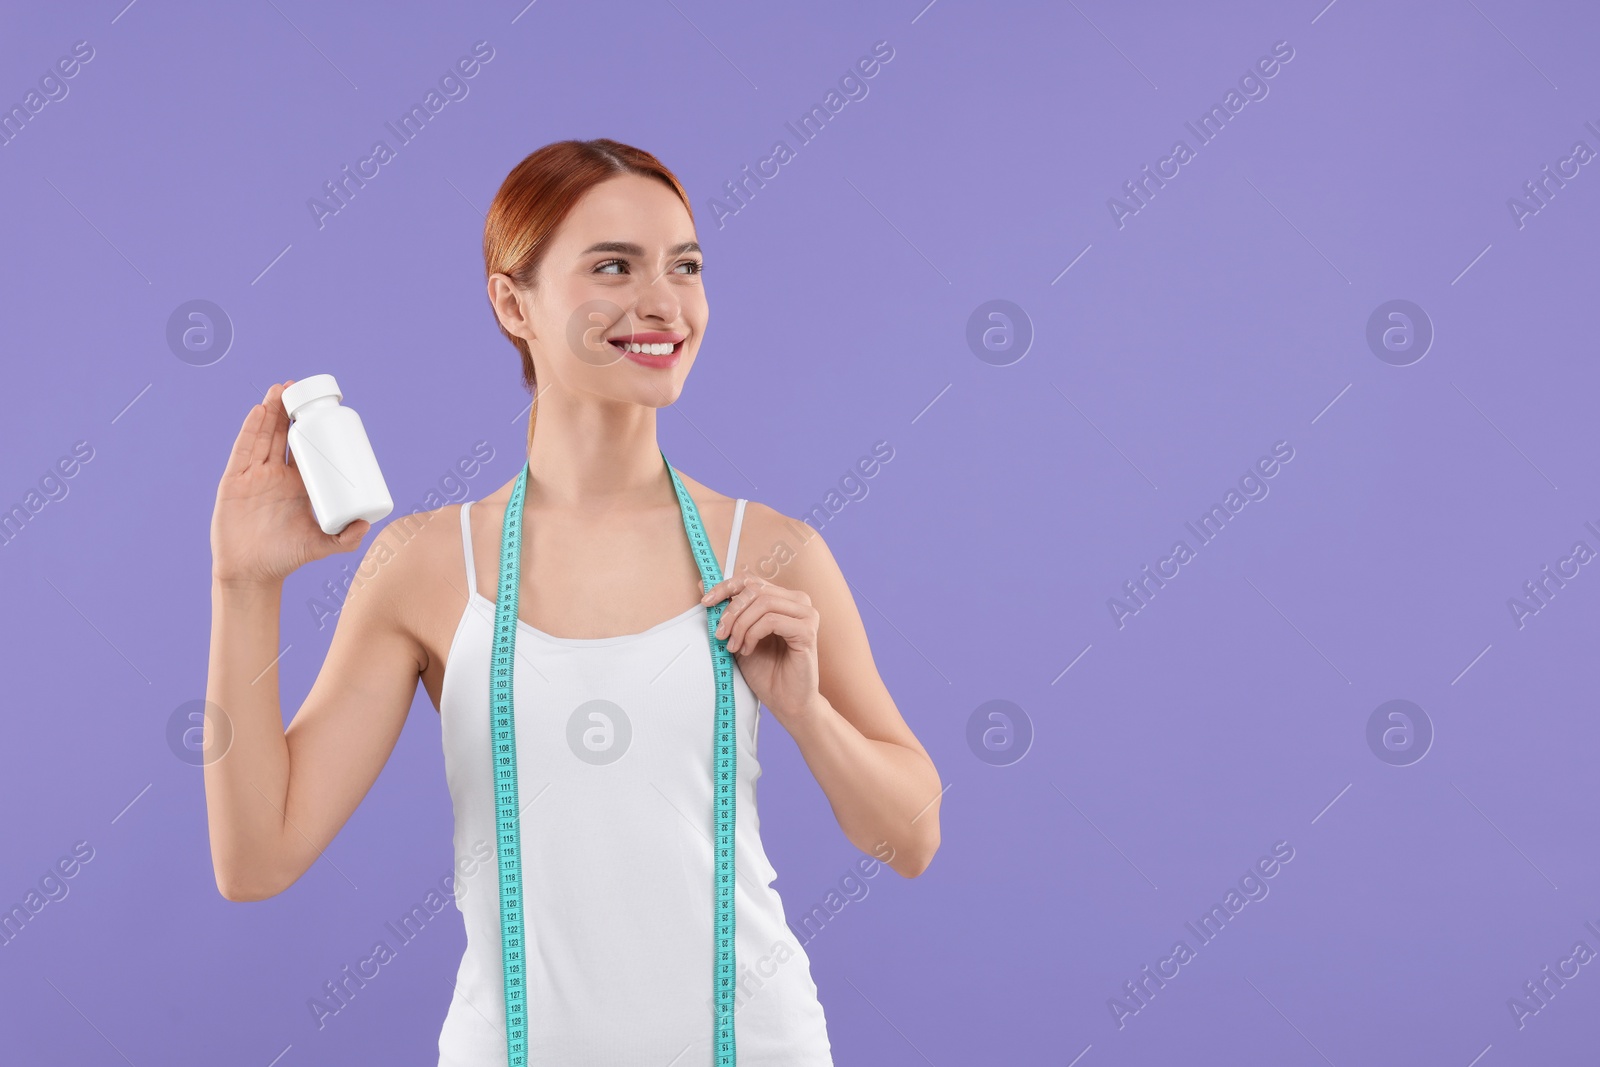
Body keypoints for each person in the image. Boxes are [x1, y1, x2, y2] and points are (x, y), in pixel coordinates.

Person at [203, 138, 941, 1065]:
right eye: (612, 267)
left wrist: (807, 713)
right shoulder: (429, 564)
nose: (663, 302)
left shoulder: (771, 549)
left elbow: (913, 839)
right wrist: (246, 585)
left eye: (686, 265)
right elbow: (256, 857)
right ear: (513, 302)